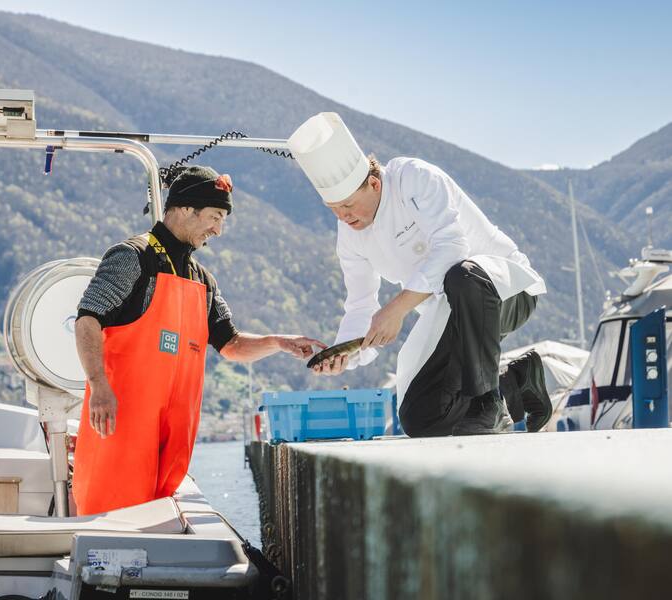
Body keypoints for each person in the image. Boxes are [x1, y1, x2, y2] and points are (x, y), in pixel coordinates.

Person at [72, 165, 322, 515]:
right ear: (186, 208)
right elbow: (88, 318)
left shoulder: (203, 280)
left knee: (157, 519)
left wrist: (278, 342)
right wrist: (98, 384)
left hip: (173, 439)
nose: (218, 230)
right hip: (122, 423)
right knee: (112, 516)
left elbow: (231, 344)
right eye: (215, 216)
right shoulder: (132, 257)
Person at [288, 112, 552, 437]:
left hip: (505, 291)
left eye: (348, 205)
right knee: (420, 418)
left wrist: (397, 309)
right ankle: (515, 380)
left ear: (374, 184)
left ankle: (488, 404)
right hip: (449, 318)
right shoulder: (350, 237)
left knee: (462, 275)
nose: (343, 217)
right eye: (334, 210)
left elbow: (452, 248)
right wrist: (342, 354)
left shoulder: (413, 178)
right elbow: (360, 305)